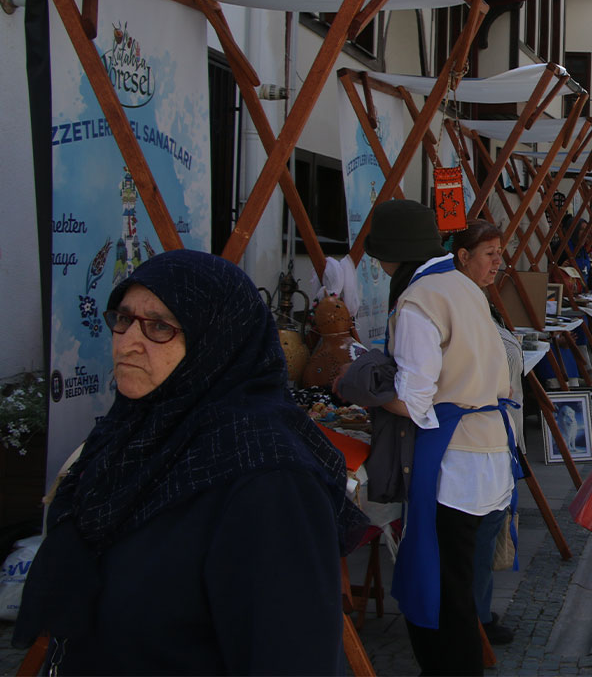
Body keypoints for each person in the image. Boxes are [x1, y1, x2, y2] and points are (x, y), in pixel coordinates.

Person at [14, 249, 367, 674]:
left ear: (217, 340)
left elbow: (289, 656)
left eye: (160, 327)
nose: (128, 341)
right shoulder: (135, 431)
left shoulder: (268, 479)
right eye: (123, 319)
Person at [364, 199, 516, 676]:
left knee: (442, 587)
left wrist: (356, 383)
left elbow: (413, 399)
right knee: (454, 585)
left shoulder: (420, 299)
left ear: (390, 256)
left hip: (457, 460)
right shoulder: (461, 285)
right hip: (486, 450)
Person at [450, 219, 525, 648]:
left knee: (489, 528)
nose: (499, 262)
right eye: (489, 254)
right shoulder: (452, 302)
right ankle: (472, 618)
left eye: (500, 253)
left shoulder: (477, 300)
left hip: (496, 436)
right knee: (476, 536)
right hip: (469, 441)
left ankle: (478, 612)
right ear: (463, 257)